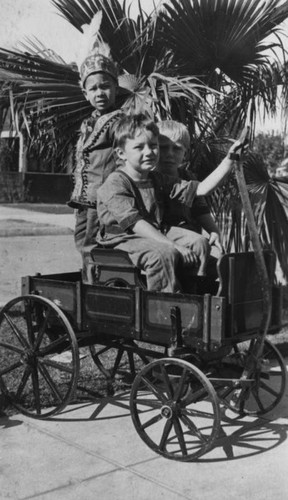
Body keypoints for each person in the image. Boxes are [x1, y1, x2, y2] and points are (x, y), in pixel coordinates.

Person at [96, 113, 247, 293]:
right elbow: (135, 224)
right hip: (123, 237)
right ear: (121, 153)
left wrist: (229, 160)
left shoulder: (157, 178)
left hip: (156, 229)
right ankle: (166, 306)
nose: (149, 152)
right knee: (164, 254)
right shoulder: (115, 182)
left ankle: (193, 290)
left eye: (153, 146)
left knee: (199, 242)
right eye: (139, 147)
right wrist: (173, 245)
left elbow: (201, 190)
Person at [67, 50, 123, 252]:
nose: (100, 93)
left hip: (102, 199)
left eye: (105, 87)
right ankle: (86, 281)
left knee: (94, 247)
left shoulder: (119, 122)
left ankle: (93, 283)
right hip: (83, 200)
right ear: (85, 94)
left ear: (116, 88)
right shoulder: (88, 122)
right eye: (93, 89)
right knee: (82, 243)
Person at [157, 120, 223, 254]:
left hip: (189, 236)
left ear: (185, 154)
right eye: (163, 148)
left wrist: (214, 232)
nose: (169, 154)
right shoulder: (149, 177)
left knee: (219, 256)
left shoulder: (187, 177)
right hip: (161, 236)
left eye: (176, 148)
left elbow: (201, 210)